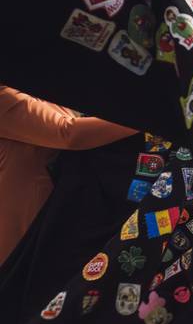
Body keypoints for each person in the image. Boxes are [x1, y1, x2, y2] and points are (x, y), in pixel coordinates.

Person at [0, 84, 137, 265]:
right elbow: (67, 132)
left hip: (56, 215)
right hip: (23, 228)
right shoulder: (4, 96)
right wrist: (147, 119)